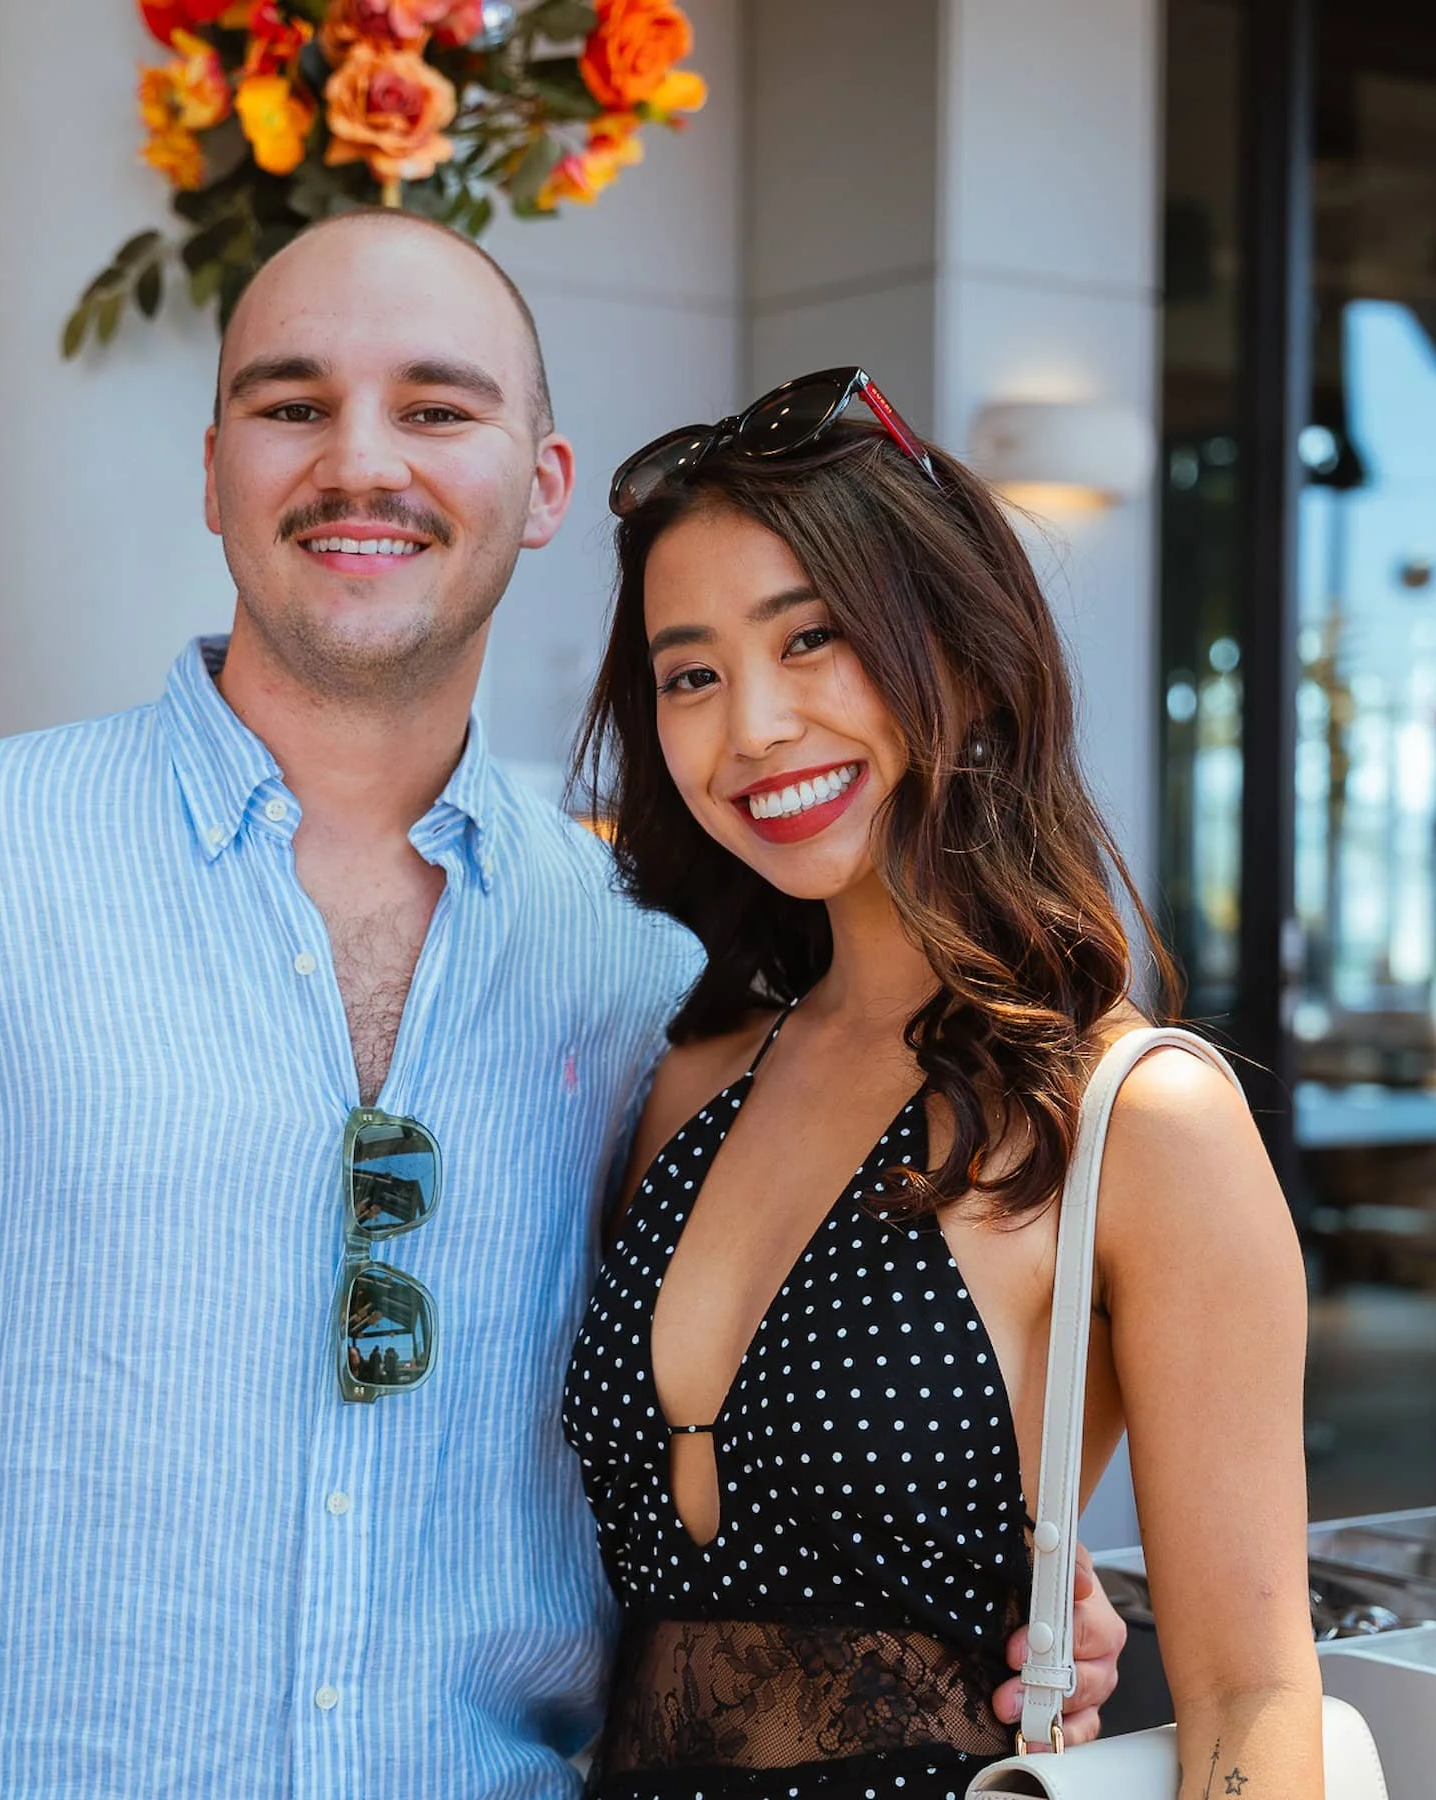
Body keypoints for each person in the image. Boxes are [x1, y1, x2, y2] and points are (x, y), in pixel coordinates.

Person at [0, 216, 1121, 1795]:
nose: (359, 463)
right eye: (291, 407)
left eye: (434, 407)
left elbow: (717, 1421)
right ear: (213, 476)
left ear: (542, 487)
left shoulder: (643, 959)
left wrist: (987, 1598)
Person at [560, 374, 1322, 1799]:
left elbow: (1253, 1688)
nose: (757, 727)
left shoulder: (1135, 1117)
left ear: (962, 659)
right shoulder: (685, 1081)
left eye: (815, 639)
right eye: (693, 674)